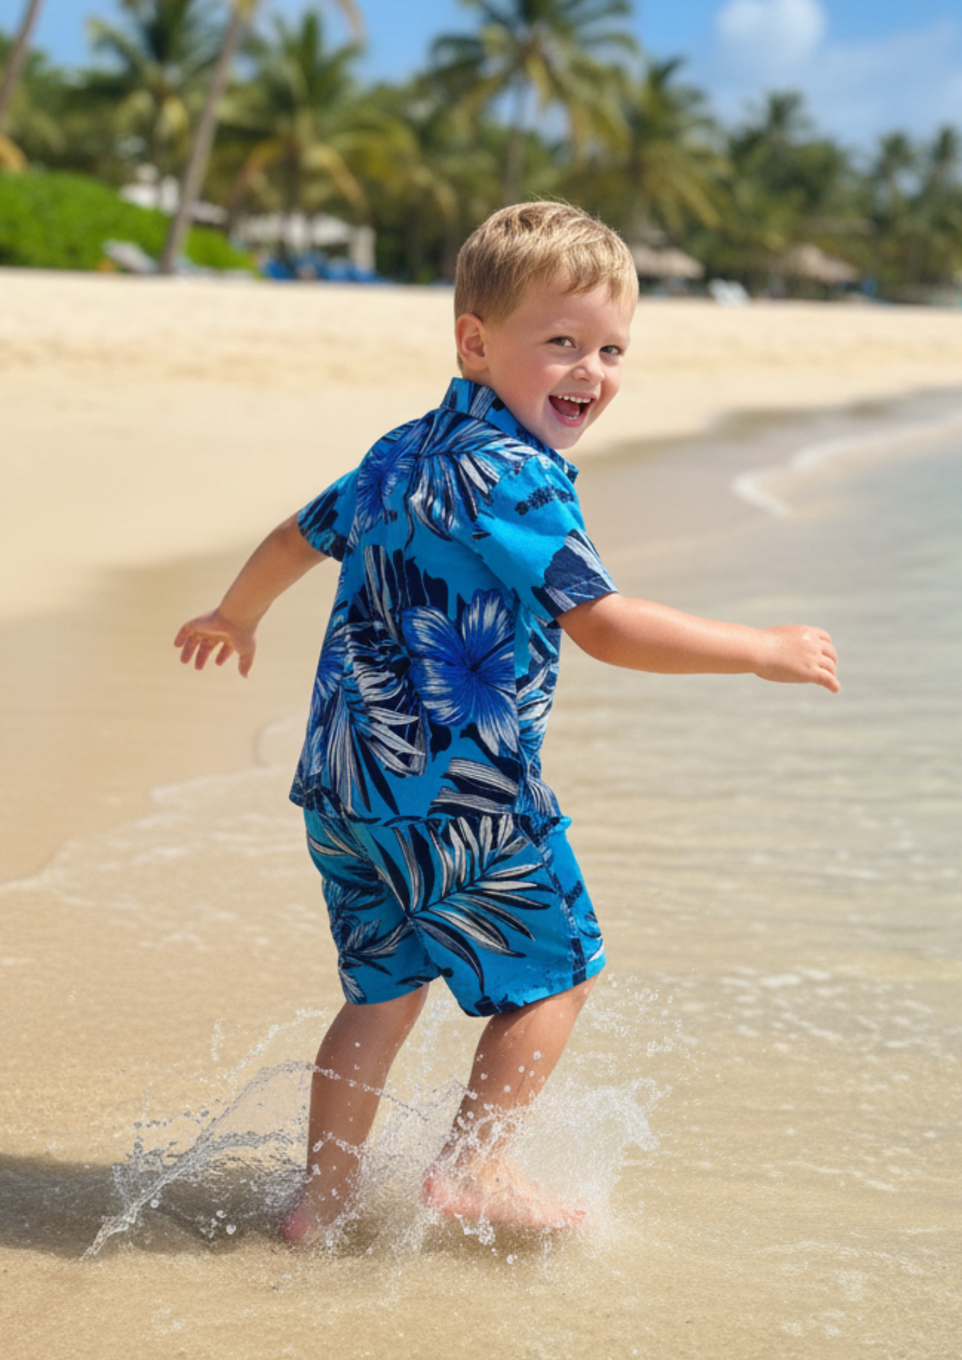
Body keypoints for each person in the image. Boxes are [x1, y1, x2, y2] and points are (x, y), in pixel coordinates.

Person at [174, 202, 839, 1245]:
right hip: (465, 797)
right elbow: (604, 624)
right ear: (475, 342)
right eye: (561, 342)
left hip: (347, 794)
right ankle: (474, 1169)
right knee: (560, 971)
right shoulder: (518, 480)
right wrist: (757, 648)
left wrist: (235, 614)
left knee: (381, 995)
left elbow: (299, 535)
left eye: (611, 348)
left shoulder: (399, 451)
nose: (590, 372)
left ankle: (322, 1203)